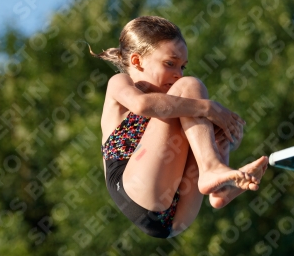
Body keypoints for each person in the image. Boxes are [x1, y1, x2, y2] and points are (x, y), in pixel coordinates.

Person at [91, 16, 268, 239]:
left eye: (183, 66)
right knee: (191, 88)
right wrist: (208, 107)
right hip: (134, 190)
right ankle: (212, 169)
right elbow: (142, 104)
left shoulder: (176, 105)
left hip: (175, 220)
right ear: (136, 61)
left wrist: (227, 137)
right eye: (170, 63)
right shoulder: (121, 83)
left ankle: (219, 186)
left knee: (203, 125)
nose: (178, 74)